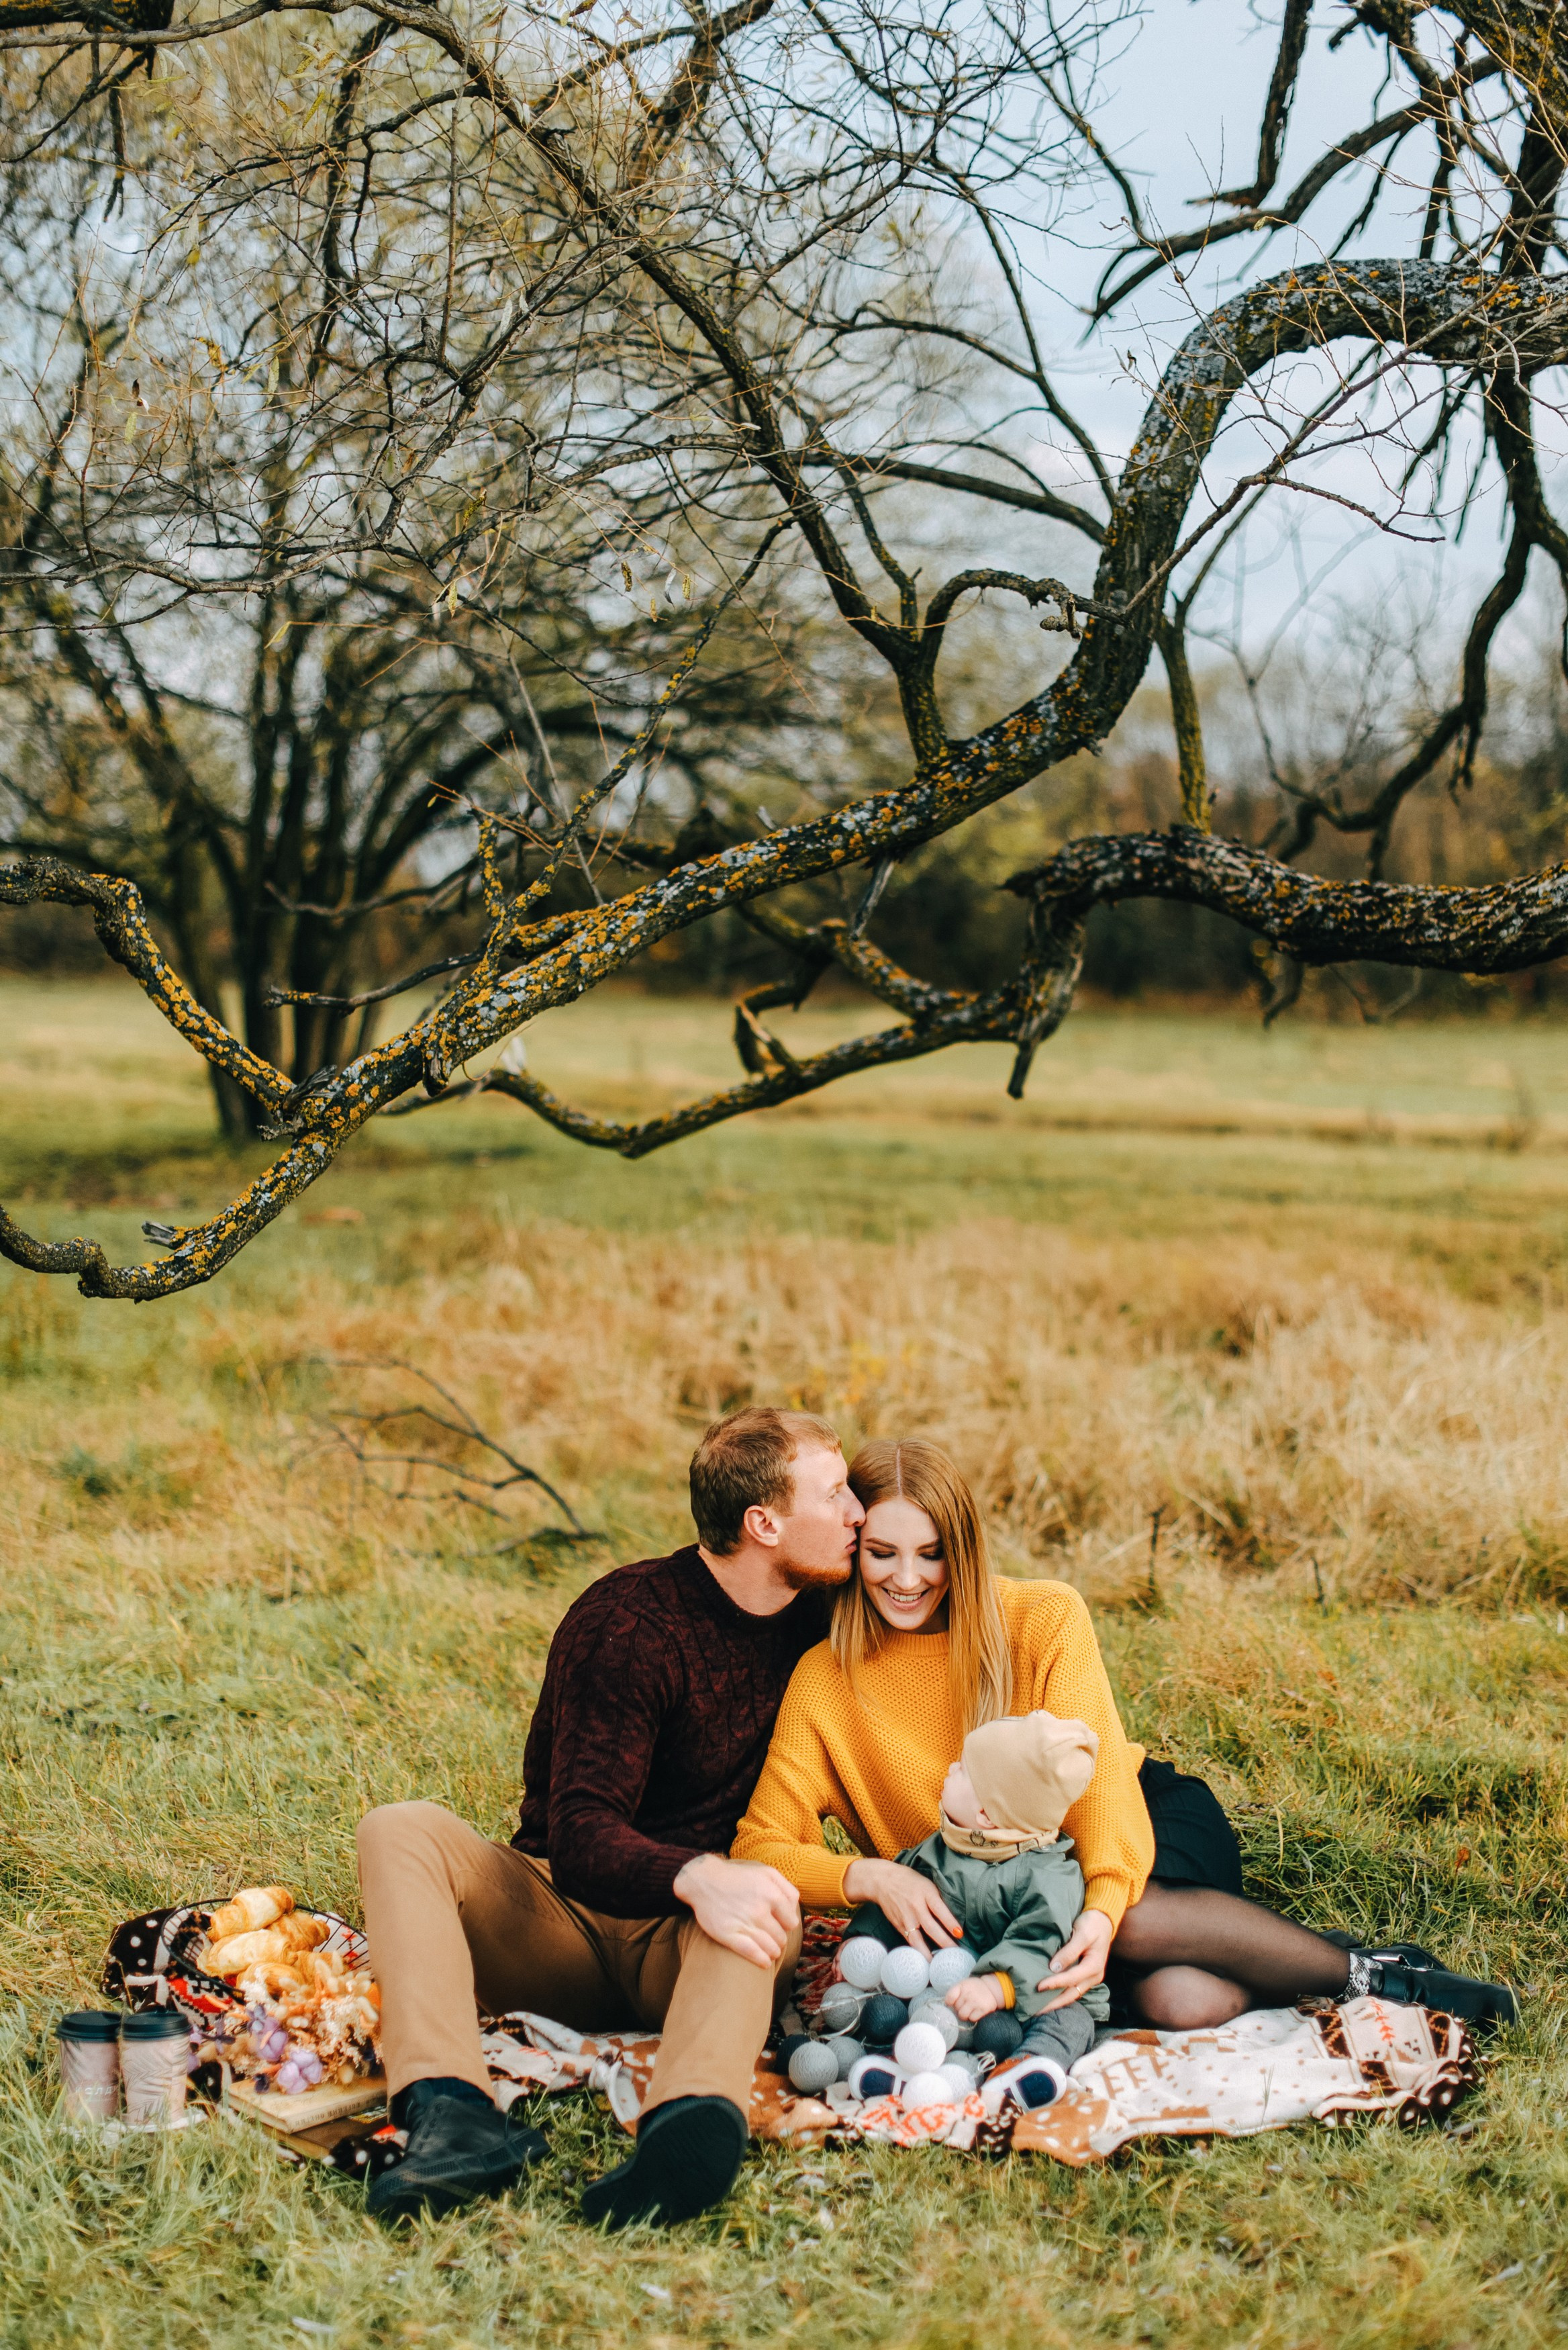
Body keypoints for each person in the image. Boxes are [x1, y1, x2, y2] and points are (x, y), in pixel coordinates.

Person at [732, 1437, 1518, 2040]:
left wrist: (1103, 1905)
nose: (908, 1576)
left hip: (1134, 1832)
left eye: (932, 1552)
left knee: (1130, 1923)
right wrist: (869, 1876)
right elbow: (760, 1845)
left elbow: (1101, 1780)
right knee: (1183, 2001)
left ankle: (1378, 1975)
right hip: (1000, 1907)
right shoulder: (826, 1677)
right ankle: (1269, 1954)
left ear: (961, 1548)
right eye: (882, 1553)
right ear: (852, 1549)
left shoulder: (1041, 1615)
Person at [356, 1405, 863, 2227]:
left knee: (766, 1893)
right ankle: (452, 2116)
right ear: (763, 1522)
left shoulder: (828, 1615)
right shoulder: (630, 1623)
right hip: (562, 1921)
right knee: (398, 1826)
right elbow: (581, 1835)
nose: (856, 1512)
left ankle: (684, 2133)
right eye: (836, 1493)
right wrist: (695, 1873)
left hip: (699, 1953)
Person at [848, 1709, 1112, 2109]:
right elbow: (896, 1902)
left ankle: (1026, 2071)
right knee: (889, 2003)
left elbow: (1043, 1942)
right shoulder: (941, 1848)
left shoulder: (1050, 1877)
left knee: (1071, 2020)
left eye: (965, 1770)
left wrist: (998, 1986)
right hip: (941, 1990)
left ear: (985, 1815)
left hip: (1027, 1998)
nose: (951, 1768)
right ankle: (902, 2071)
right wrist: (864, 1938)